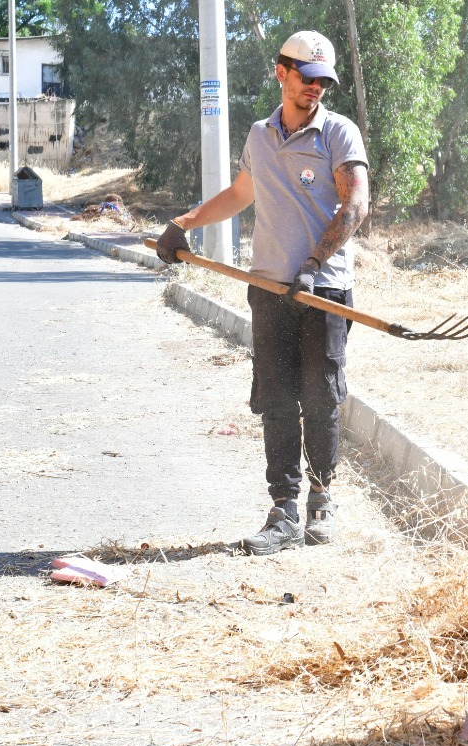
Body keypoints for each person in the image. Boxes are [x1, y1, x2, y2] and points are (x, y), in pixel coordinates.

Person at [155, 30, 369, 555]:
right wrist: (184, 223)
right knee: (276, 399)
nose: (315, 89)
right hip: (268, 288)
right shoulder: (259, 135)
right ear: (281, 71)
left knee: (321, 397)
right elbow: (241, 193)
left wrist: (315, 264)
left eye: (323, 82)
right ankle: (284, 510)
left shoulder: (337, 134)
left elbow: (356, 206)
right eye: (306, 78)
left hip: (323, 292)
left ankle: (322, 501)